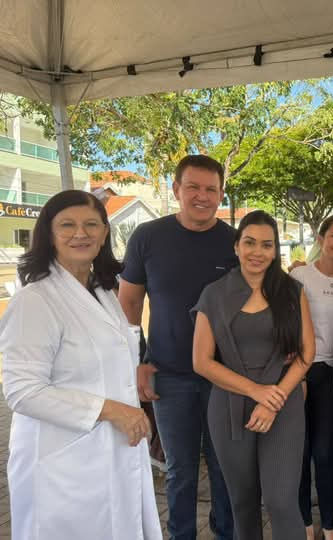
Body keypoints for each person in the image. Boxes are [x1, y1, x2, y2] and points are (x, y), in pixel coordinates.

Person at [0, 190, 162, 540]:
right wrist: (111, 410)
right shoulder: (35, 300)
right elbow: (22, 391)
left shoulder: (103, 292)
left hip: (113, 450)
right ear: (49, 233)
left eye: (91, 224)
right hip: (62, 461)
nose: (80, 233)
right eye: (67, 225)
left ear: (104, 234)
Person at [118, 155, 235, 540]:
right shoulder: (148, 237)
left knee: (224, 467)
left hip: (224, 376)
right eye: (193, 187)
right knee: (180, 470)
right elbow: (129, 304)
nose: (202, 196)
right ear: (176, 190)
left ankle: (226, 532)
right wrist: (137, 361)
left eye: (211, 189)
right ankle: (181, 534)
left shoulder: (235, 242)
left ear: (221, 194)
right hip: (168, 376)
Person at [193, 210, 315, 540]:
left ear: (275, 251)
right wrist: (255, 391)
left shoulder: (292, 291)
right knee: (242, 503)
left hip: (283, 401)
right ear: (236, 246)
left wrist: (273, 399)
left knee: (281, 500)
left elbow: (307, 352)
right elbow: (201, 362)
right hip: (229, 405)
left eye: (266, 244)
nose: (257, 252)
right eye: (249, 242)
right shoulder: (213, 294)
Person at [290, 215, 333, 540]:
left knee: (326, 453)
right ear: (321, 238)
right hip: (301, 372)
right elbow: (287, 323)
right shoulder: (300, 275)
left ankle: (329, 526)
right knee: (300, 453)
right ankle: (305, 524)